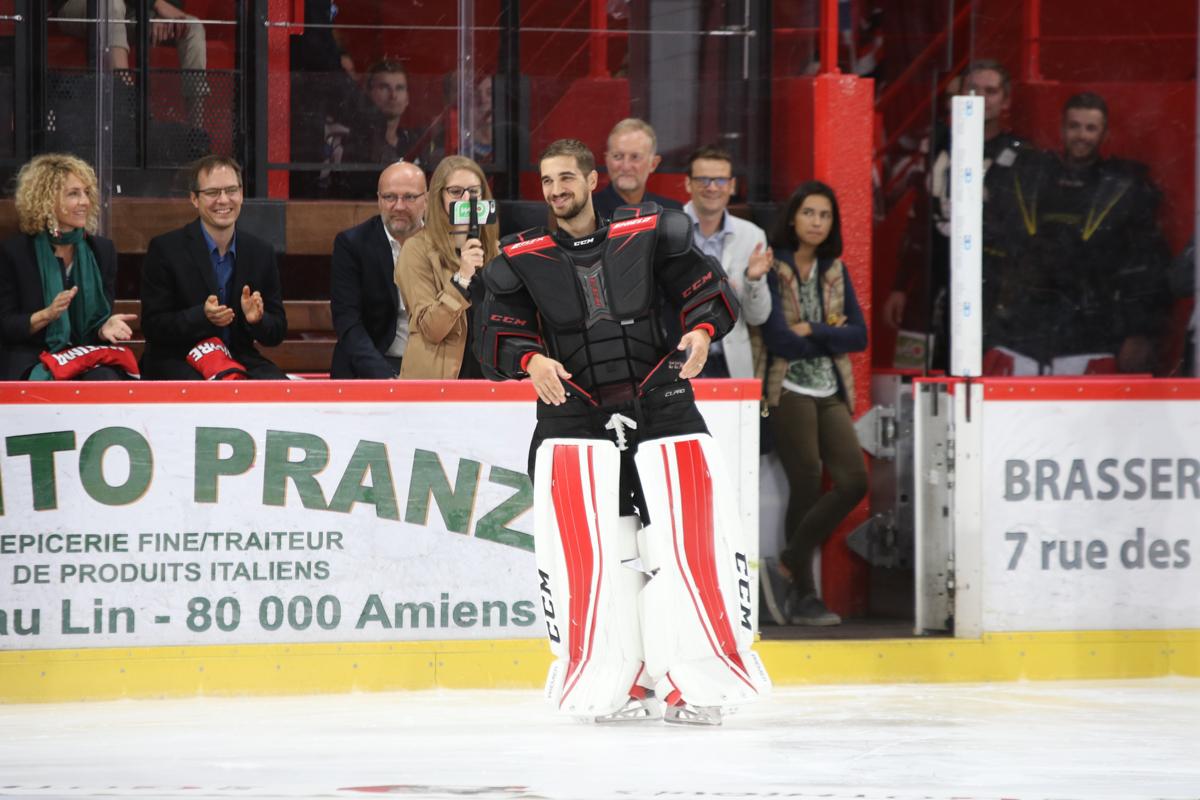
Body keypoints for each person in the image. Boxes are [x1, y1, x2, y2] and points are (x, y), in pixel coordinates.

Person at [474, 138, 770, 726]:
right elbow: (496, 332)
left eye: (566, 178)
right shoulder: (518, 257)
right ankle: (617, 685)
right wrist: (530, 360)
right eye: (547, 182)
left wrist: (704, 334)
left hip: (662, 407)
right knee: (596, 556)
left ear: (591, 179)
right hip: (574, 418)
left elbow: (707, 294)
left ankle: (696, 685)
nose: (556, 191)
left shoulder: (653, 232)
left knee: (690, 546)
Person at [985, 92, 1171, 375]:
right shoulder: (1029, 178)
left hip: (1093, 331)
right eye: (1074, 126)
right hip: (1025, 330)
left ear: (1105, 134)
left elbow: (1146, 265)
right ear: (1062, 128)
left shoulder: (1125, 187)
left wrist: (1140, 332)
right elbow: (999, 247)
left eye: (1090, 128)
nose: (1081, 135)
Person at [754, 181, 868, 627]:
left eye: (825, 215)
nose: (817, 222)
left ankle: (788, 560)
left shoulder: (834, 270)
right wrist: (826, 334)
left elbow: (858, 336)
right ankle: (805, 594)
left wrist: (814, 330)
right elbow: (779, 339)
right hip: (786, 389)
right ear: (793, 218)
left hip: (830, 389)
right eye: (809, 214)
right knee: (806, 480)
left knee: (852, 480)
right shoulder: (773, 267)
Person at [882, 60, 1029, 370]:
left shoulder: (1022, 156)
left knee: (969, 375)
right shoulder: (936, 142)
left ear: (1006, 101)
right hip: (928, 276)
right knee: (912, 375)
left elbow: (1020, 236)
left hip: (986, 281)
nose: (980, 98)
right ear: (958, 95)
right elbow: (918, 217)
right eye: (972, 89)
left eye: (991, 91)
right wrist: (900, 284)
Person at [139, 155, 288, 380]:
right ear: (194, 199)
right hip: (179, 360)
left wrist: (258, 320)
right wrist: (202, 316)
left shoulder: (260, 252)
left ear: (241, 194)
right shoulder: (165, 249)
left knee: (279, 390)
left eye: (231, 190)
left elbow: (276, 331)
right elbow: (153, 326)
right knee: (206, 392)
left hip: (238, 358)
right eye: (212, 193)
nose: (223, 200)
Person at [0, 154, 138, 380]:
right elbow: (6, 325)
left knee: (104, 378)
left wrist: (104, 330)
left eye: (86, 193)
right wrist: (47, 315)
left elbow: (95, 326)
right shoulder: (15, 253)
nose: (84, 201)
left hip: (84, 355)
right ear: (46, 199)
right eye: (73, 194)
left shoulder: (101, 251)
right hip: (34, 355)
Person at [394, 155, 497, 379]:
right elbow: (431, 329)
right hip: (438, 384)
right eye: (456, 191)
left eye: (473, 191)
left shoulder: (495, 251)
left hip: (489, 382)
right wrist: (462, 278)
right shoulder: (416, 250)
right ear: (438, 197)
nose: (466, 199)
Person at [330, 161, 428, 379]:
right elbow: (348, 323)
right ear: (378, 199)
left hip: (432, 366)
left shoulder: (442, 244)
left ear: (426, 200)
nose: (399, 206)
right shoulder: (352, 244)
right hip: (372, 365)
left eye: (410, 197)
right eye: (390, 197)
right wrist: (387, 379)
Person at [682, 144, 773, 378]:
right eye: (703, 179)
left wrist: (753, 279)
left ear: (732, 186)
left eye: (720, 181)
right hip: (680, 358)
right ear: (688, 183)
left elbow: (758, 317)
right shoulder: (668, 229)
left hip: (729, 362)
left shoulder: (753, 236)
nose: (712, 187)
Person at [55, 0, 209, 126]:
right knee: (111, 5)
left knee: (193, 27)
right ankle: (127, 101)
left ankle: (195, 131)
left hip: (136, 9)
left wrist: (158, 14)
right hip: (85, 6)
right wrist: (156, 4)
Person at [592, 118, 683, 220]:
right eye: (617, 156)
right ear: (607, 160)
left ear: (653, 164)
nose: (626, 166)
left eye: (635, 157)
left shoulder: (672, 214)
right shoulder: (589, 213)